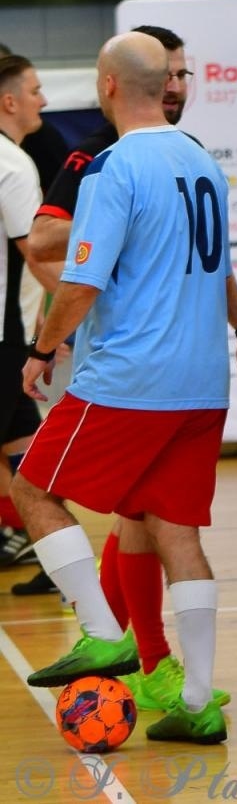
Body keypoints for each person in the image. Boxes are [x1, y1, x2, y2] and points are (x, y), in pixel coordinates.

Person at [11, 31, 237, 745]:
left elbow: (80, 281)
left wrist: (40, 348)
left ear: (109, 85)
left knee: (31, 484)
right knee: (173, 528)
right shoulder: (202, 162)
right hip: (198, 382)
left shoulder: (114, 170)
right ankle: (197, 697)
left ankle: (103, 633)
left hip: (131, 377)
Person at [0, 55, 48, 571]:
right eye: (35, 91)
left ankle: (63, 571)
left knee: (32, 464)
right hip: (4, 337)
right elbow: (33, 251)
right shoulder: (12, 164)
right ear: (9, 102)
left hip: (9, 337)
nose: (44, 100)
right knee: (32, 465)